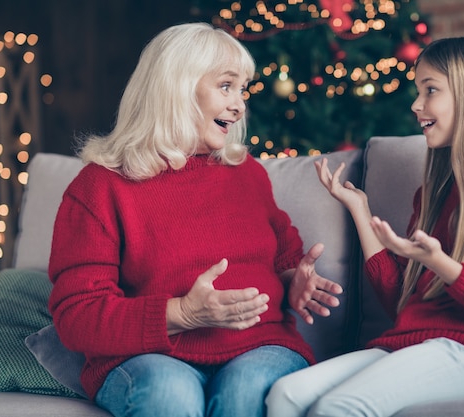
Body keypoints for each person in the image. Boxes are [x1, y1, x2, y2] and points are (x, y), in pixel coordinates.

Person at [47, 22, 343, 417]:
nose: (239, 106)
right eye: (226, 86)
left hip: (262, 346)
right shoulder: (100, 187)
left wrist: (295, 281)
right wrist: (183, 314)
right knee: (171, 392)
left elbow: (284, 255)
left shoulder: (247, 173)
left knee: (246, 390)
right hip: (149, 355)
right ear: (177, 87)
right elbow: (77, 318)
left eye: (242, 90)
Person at [265, 35, 464, 417]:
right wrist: (360, 210)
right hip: (411, 343)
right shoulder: (436, 192)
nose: (416, 104)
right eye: (418, 90)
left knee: (338, 407)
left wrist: (444, 265)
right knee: (285, 395)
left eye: (430, 90)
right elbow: (401, 305)